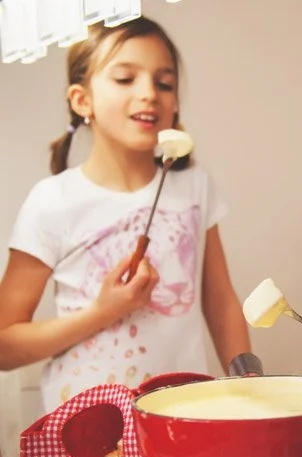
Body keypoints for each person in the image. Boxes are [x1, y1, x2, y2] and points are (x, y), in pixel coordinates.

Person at [0, 17, 250, 411]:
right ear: (82, 100)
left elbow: (220, 302)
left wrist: (248, 382)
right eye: (125, 79)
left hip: (182, 418)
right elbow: (4, 346)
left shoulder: (194, 186)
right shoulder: (52, 201)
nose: (149, 93)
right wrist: (104, 312)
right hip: (87, 431)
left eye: (164, 83)